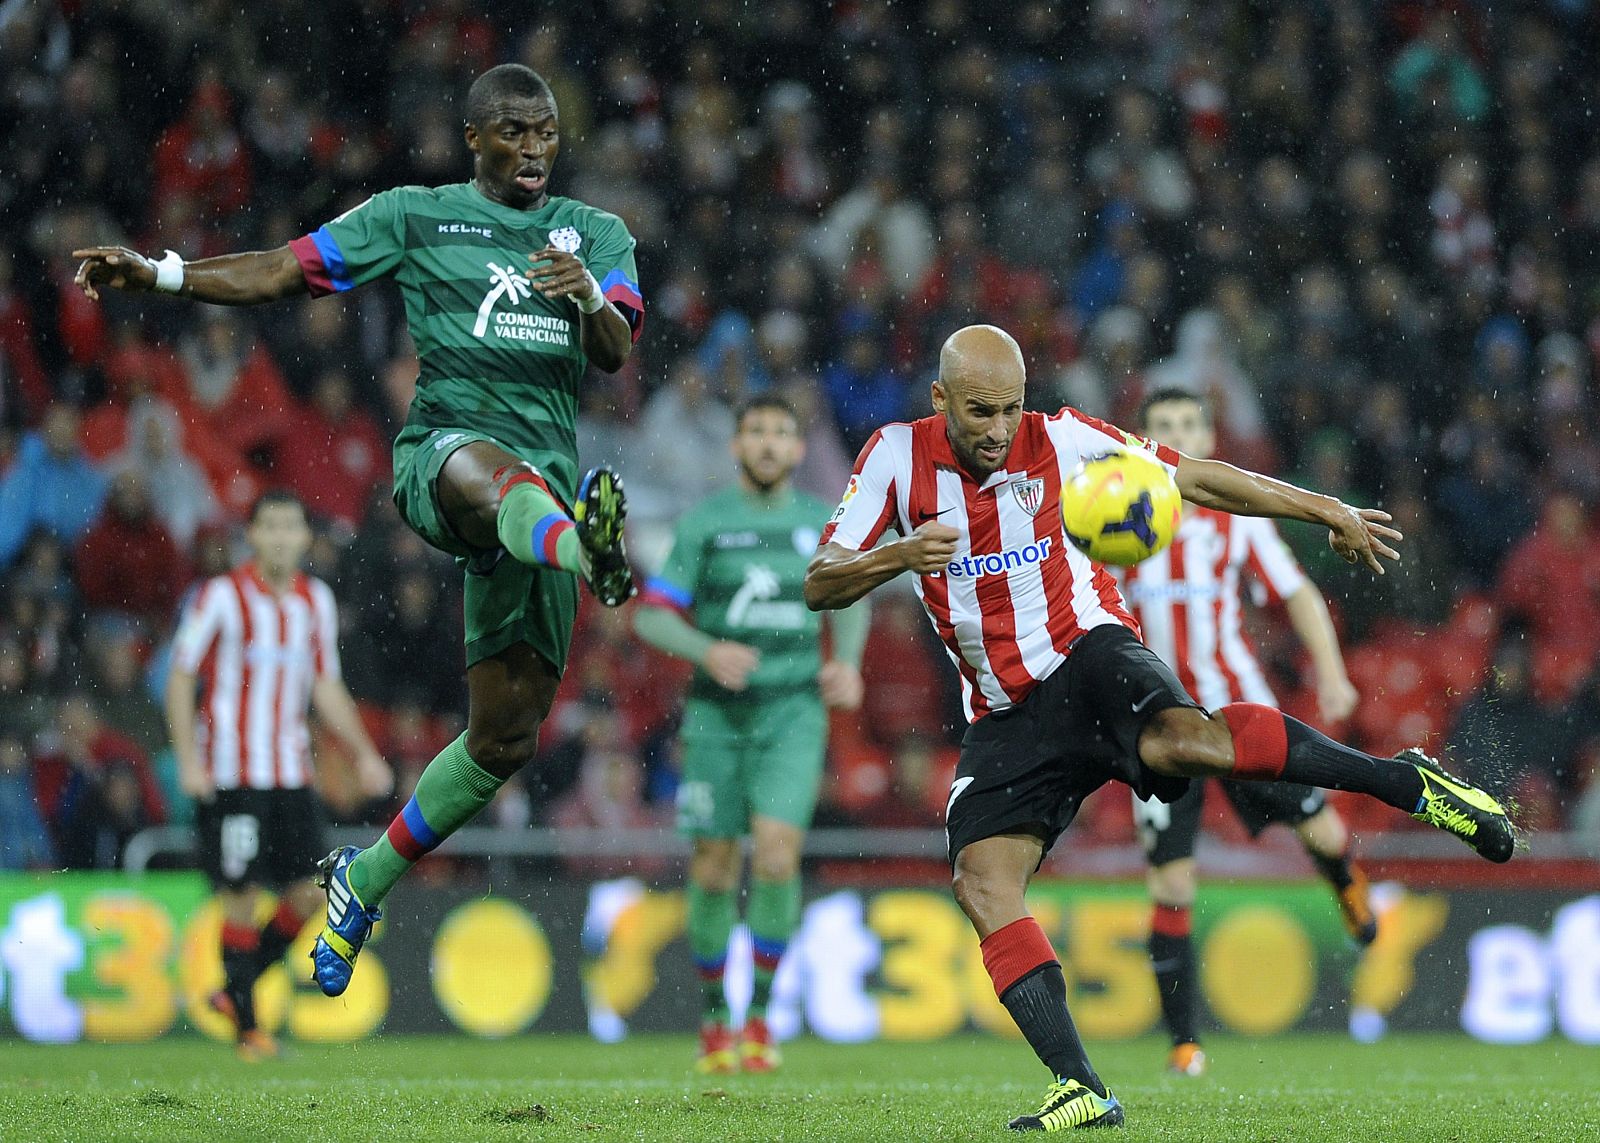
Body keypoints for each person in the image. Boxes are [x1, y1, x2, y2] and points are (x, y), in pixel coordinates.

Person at [804, 325, 1514, 1132]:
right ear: (940, 400)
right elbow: (820, 581)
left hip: (1088, 650)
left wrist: (1325, 509)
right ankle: (1083, 1087)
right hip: (1006, 712)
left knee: (1185, 739)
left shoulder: (1063, 437)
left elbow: (1201, 478)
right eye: (979, 412)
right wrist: (897, 558)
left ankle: (1409, 781)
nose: (999, 429)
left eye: (1010, 408)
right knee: (980, 880)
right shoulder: (895, 458)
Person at [73, 62, 644, 998]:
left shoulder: (597, 232)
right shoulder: (415, 214)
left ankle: (362, 877)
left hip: (540, 494)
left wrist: (584, 290)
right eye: (513, 130)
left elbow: (617, 349)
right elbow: (283, 271)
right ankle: (593, 551)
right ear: (474, 138)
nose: (535, 148)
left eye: (546, 132)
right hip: (443, 459)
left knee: (503, 740)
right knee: (490, 463)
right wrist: (163, 273)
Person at [1117, 389, 1374, 1078]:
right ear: (1145, 438)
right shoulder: (1117, 520)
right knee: (1171, 884)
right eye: (1163, 427)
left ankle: (1347, 887)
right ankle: (1183, 1043)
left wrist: (1331, 671)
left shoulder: (1239, 523)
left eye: (1188, 425)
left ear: (1208, 434)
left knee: (1323, 832)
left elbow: (1297, 592)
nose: (1177, 436)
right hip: (1161, 728)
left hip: (1239, 717)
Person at [634, 396, 868, 1074]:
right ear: (736, 445)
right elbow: (653, 616)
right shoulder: (706, 523)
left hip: (793, 712)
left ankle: (760, 1016)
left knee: (774, 854)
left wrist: (846, 661)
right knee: (713, 864)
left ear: (799, 451)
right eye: (756, 431)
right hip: (715, 714)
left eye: (781, 434)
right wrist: (706, 649)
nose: (768, 444)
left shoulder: (816, 523)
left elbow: (848, 595)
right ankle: (714, 1016)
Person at [166, 490, 392, 1059]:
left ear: (302, 539)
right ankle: (248, 1030)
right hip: (231, 773)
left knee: (307, 896)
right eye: (270, 527)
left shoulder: (315, 601)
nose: (281, 538)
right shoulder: (220, 596)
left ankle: (232, 988)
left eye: (291, 528)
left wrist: (364, 752)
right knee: (240, 897)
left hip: (291, 774)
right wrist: (189, 761)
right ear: (253, 536)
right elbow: (180, 675)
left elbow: (325, 685)